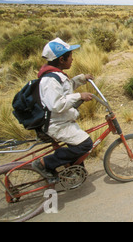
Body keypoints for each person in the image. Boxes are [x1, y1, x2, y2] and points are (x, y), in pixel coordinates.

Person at [32, 38, 94, 179]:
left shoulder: (56, 75)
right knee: (85, 144)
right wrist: (79, 96)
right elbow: (56, 104)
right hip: (56, 124)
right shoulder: (50, 80)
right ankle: (44, 163)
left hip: (62, 120)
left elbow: (65, 90)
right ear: (61, 59)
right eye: (70, 56)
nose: (72, 59)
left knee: (77, 141)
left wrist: (81, 79)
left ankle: (74, 171)